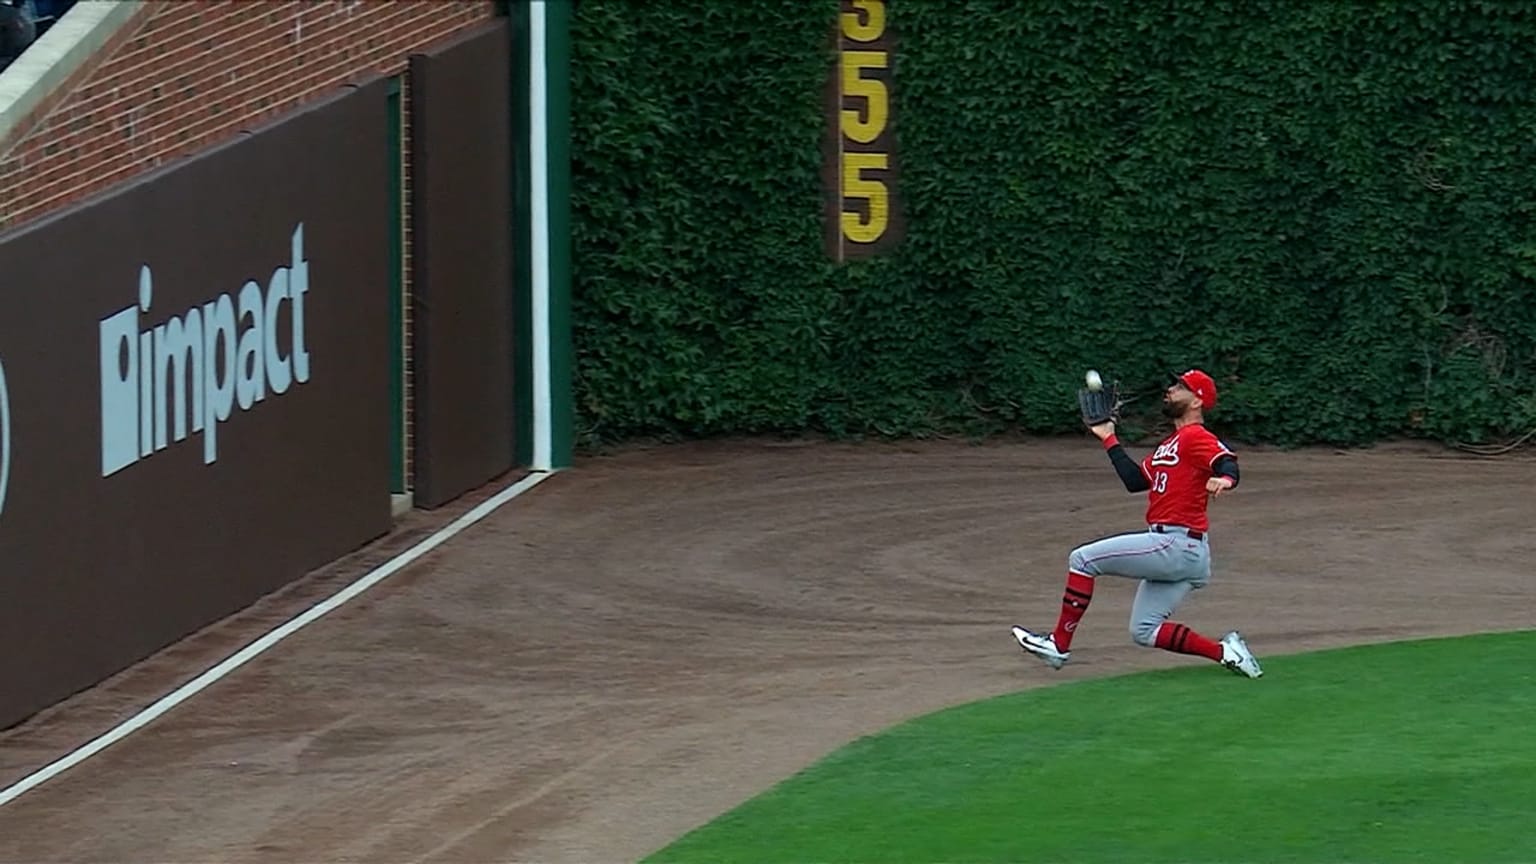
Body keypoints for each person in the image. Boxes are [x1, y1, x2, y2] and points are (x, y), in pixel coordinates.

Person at [1010, 368, 1263, 678]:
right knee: (1144, 630)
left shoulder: (1196, 436)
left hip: (1175, 544)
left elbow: (1226, 461)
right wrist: (1108, 437)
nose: (1170, 389)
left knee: (1083, 559)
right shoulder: (1169, 444)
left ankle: (1058, 645)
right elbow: (1134, 480)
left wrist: (1225, 479)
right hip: (1185, 551)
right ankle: (1226, 652)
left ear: (1197, 400)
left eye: (1179, 386)